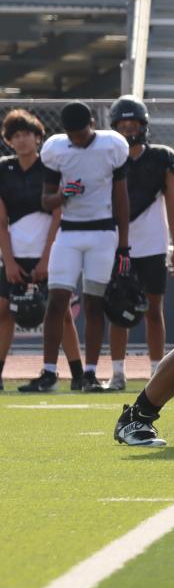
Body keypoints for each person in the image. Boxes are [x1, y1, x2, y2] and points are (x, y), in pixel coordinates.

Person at [36, 101, 129, 393]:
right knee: (56, 301)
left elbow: (121, 198)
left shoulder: (112, 145)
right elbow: (45, 200)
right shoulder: (56, 149)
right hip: (69, 232)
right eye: (71, 134)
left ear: (92, 123)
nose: (76, 139)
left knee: (94, 302)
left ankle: (89, 373)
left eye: (81, 132)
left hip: (102, 231)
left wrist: (124, 244)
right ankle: (49, 371)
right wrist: (63, 194)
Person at [104, 97, 174, 391]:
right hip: (117, 243)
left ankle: (155, 370)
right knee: (117, 307)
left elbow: (173, 205)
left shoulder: (162, 157)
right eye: (122, 126)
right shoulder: (110, 159)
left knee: (153, 309)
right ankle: (117, 372)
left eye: (132, 125)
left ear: (143, 126)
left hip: (151, 243)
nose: (128, 131)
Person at [1, 109, 60, 390]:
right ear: (9, 140)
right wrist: (9, 261)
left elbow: (58, 215)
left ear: (38, 137)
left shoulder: (51, 168)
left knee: (57, 311)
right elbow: (1, 222)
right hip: (14, 251)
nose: (22, 140)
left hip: (48, 251)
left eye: (27, 134)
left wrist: (47, 257)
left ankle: (74, 374)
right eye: (16, 135)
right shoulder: (3, 169)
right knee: (3, 310)